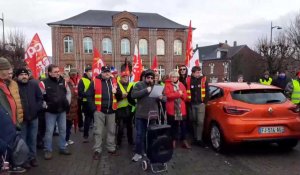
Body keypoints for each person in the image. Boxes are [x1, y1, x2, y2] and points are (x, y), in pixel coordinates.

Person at [39, 64, 71, 160]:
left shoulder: (63, 81)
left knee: (63, 130)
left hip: (62, 111)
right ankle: (48, 150)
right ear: (49, 73)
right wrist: (46, 105)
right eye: (55, 72)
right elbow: (39, 97)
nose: (58, 73)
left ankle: (62, 147)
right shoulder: (43, 83)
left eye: (58, 71)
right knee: (49, 131)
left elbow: (68, 92)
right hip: (50, 112)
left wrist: (67, 103)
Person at [0, 57, 26, 173]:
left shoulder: (6, 84)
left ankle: (9, 166)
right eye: (7, 70)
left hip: (12, 124)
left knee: (13, 149)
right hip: (3, 128)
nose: (10, 73)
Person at [131, 69, 163, 162]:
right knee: (140, 134)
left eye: (152, 78)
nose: (150, 79)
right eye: (148, 77)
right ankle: (138, 152)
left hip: (152, 115)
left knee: (150, 135)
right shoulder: (139, 85)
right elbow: (133, 95)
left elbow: (164, 98)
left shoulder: (157, 86)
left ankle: (147, 150)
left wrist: (161, 97)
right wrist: (145, 90)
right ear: (145, 78)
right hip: (141, 115)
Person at [90, 66, 120, 160]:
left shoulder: (114, 81)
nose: (107, 73)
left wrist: (117, 92)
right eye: (105, 72)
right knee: (98, 131)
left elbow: (119, 94)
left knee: (111, 131)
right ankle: (97, 150)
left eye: (108, 72)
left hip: (111, 110)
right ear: (101, 72)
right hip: (99, 111)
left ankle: (111, 148)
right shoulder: (95, 81)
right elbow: (89, 96)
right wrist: (93, 108)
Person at [15, 68, 43, 168]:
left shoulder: (34, 85)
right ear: (17, 76)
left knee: (33, 139)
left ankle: (33, 158)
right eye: (21, 75)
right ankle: (24, 160)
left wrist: (36, 108)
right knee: (23, 140)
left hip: (34, 117)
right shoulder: (15, 87)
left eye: (25, 75)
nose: (24, 76)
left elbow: (40, 98)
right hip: (22, 119)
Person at [164, 71, 191, 149]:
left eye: (175, 77)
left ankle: (184, 140)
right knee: (173, 126)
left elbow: (185, 97)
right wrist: (178, 94)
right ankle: (173, 140)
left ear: (177, 78)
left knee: (183, 126)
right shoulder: (167, 85)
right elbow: (168, 96)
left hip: (181, 109)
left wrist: (180, 94)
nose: (173, 78)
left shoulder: (181, 85)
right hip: (172, 109)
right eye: (172, 77)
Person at [186, 66, 209, 146]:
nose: (199, 74)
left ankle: (199, 139)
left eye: (199, 72)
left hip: (201, 104)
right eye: (197, 72)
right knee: (194, 121)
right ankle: (195, 138)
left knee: (200, 122)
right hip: (192, 104)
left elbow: (207, 91)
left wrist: (204, 102)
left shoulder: (203, 79)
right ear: (193, 73)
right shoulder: (188, 80)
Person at [115, 70, 135, 147]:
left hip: (129, 108)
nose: (125, 78)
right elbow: (115, 93)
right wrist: (121, 95)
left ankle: (130, 141)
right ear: (120, 77)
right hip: (120, 108)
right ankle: (118, 142)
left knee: (130, 126)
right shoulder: (117, 84)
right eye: (124, 77)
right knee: (120, 126)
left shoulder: (131, 84)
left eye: (126, 77)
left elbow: (133, 94)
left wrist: (128, 96)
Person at [78, 67, 93, 143]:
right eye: (90, 71)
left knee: (96, 120)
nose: (91, 72)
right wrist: (89, 94)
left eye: (92, 71)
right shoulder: (82, 80)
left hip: (95, 102)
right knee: (87, 119)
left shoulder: (94, 79)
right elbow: (80, 92)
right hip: (86, 102)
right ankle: (85, 135)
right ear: (86, 72)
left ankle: (97, 136)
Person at [64, 70, 79, 146]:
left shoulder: (70, 84)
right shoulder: (63, 85)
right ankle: (64, 140)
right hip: (67, 108)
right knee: (65, 125)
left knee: (69, 125)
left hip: (73, 108)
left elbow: (74, 94)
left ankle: (67, 138)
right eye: (65, 77)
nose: (67, 78)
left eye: (67, 77)